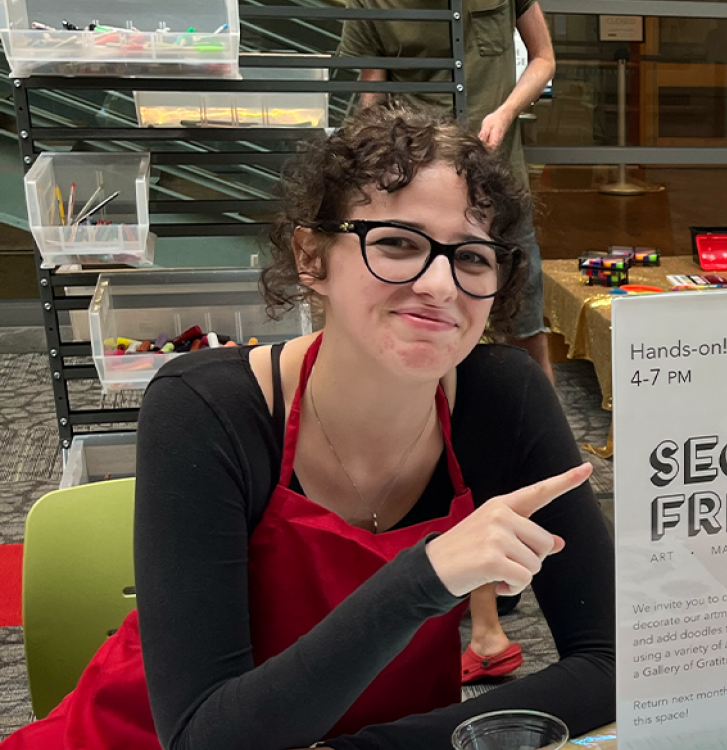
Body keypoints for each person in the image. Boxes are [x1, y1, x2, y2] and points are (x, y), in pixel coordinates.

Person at [2, 106, 616, 750]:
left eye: (471, 256)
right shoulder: (208, 409)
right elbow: (204, 736)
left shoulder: (502, 399)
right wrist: (425, 578)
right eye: (397, 243)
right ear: (310, 257)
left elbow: (607, 662)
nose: (440, 284)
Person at [339, 0, 559, 682]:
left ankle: (534, 512)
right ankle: (477, 611)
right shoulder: (369, 8)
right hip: (415, 193)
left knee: (520, 355)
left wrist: (504, 112)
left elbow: (545, 57)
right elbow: (365, 105)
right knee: (431, 390)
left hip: (495, 188)